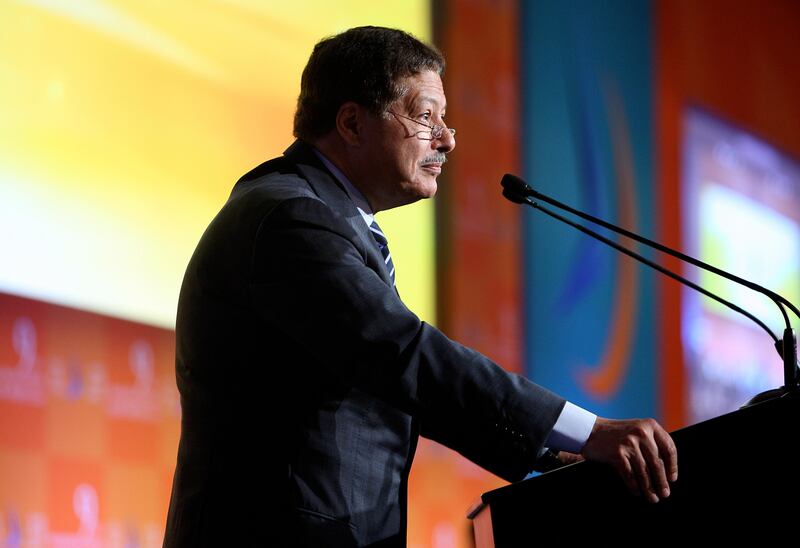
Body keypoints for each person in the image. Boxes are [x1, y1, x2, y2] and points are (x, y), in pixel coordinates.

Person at [163, 26, 677, 547]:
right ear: (351, 123)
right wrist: (586, 431)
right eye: (426, 116)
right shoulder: (289, 217)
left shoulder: (322, 217)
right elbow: (402, 355)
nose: (448, 138)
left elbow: (393, 386)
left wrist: (554, 450)